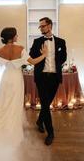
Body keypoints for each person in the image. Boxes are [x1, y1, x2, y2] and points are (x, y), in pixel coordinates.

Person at [29, 17, 67, 146]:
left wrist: (55, 65)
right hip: (42, 77)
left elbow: (63, 58)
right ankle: (50, 133)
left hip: (55, 77)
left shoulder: (61, 42)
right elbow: (32, 56)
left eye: (43, 26)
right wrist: (42, 54)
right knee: (45, 105)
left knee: (46, 103)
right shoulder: (37, 41)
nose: (41, 28)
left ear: (49, 26)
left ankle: (40, 121)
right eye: (40, 26)